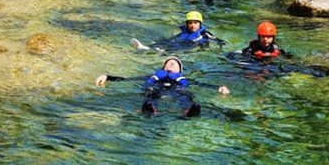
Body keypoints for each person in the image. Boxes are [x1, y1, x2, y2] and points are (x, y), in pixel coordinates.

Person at [96, 56, 230, 115]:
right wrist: (108, 77)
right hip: (157, 91)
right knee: (150, 95)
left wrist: (219, 88)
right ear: (163, 67)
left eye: (174, 63)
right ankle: (150, 108)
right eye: (168, 63)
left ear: (179, 70)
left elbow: (202, 84)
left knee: (186, 96)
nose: (171, 64)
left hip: (178, 91)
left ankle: (188, 111)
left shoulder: (184, 79)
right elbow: (128, 79)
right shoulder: (154, 77)